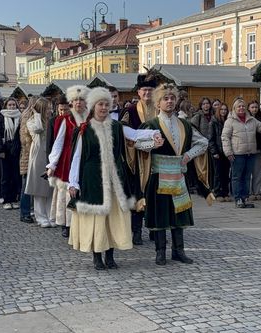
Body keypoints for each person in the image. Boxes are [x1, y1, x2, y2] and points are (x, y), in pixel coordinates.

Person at [68, 87, 161, 270]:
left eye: (106, 104)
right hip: (92, 177)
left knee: (112, 217)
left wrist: (154, 134)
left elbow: (134, 134)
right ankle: (97, 257)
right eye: (100, 104)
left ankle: (110, 256)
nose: (103, 107)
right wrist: (73, 182)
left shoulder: (117, 127)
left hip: (114, 177)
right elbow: (77, 157)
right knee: (97, 218)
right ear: (93, 107)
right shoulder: (84, 130)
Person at [139, 84, 209, 265]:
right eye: (165, 99)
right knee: (161, 214)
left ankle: (178, 251)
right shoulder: (151, 125)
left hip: (178, 175)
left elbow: (203, 143)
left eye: (172, 98)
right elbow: (136, 145)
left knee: (179, 213)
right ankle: (160, 251)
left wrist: (188, 155)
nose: (169, 101)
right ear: (158, 103)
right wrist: (152, 145)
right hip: (158, 175)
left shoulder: (185, 124)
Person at [121, 74, 158, 245]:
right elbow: (124, 133)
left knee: (156, 195)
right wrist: (143, 144)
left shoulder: (160, 110)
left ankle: (154, 229)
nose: (148, 93)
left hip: (157, 159)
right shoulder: (130, 111)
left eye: (151, 90)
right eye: (145, 90)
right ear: (139, 92)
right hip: (136, 160)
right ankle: (136, 231)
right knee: (137, 194)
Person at [48, 85, 89, 235]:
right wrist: (52, 162)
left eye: (81, 100)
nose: (78, 103)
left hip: (86, 158)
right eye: (76, 100)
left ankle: (83, 222)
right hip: (67, 158)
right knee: (67, 191)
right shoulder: (66, 120)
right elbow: (58, 142)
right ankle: (67, 224)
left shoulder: (92, 118)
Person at [221, 98, 261, 208]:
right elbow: (225, 137)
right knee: (237, 177)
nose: (241, 108)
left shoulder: (252, 120)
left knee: (247, 177)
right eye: (239, 106)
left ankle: (245, 198)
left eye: (243, 106)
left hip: (250, 154)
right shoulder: (230, 121)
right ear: (234, 108)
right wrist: (228, 152)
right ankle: (238, 199)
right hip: (237, 154)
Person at [25, 97, 55, 226]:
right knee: (39, 188)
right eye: (47, 108)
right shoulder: (32, 121)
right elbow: (38, 129)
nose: (50, 110)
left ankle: (51, 216)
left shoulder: (52, 121)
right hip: (38, 155)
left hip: (50, 154)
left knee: (50, 187)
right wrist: (37, 115)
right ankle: (41, 217)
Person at [0, 97, 21, 210]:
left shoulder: (20, 116)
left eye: (14, 105)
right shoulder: (1, 116)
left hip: (17, 150)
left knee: (15, 175)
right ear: (6, 106)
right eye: (10, 105)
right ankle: (6, 199)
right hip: (5, 151)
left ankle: (14, 198)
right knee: (5, 176)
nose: (12, 107)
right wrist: (0, 150)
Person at [247, 100, 261, 200]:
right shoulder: (245, 119)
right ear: (248, 108)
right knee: (247, 172)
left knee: (258, 172)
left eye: (256, 107)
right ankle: (247, 192)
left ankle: (256, 192)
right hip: (247, 150)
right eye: (252, 107)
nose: (254, 109)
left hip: (258, 150)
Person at [18, 99, 35, 223]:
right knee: (26, 185)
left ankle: (30, 210)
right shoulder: (27, 116)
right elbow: (25, 139)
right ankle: (25, 212)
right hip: (28, 155)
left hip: (33, 155)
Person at [211, 102, 231, 201]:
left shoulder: (228, 121)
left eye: (225, 110)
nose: (223, 111)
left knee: (226, 173)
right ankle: (217, 192)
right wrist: (214, 152)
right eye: (222, 109)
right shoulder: (213, 122)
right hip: (217, 152)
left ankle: (225, 192)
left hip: (226, 151)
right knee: (218, 173)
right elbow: (211, 139)